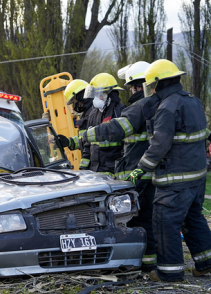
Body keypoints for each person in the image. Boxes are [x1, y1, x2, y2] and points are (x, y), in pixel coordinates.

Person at [127, 59, 211, 282]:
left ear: (159, 84)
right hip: (197, 177)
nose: (151, 91)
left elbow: (158, 146)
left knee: (165, 223)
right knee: (194, 218)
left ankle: (169, 272)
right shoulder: (193, 101)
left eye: (152, 86)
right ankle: (206, 264)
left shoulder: (167, 108)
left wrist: (138, 170)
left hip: (175, 180)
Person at [80, 61, 158, 271]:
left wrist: (88, 135)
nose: (131, 89)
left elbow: (117, 138)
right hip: (127, 174)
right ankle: (140, 261)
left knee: (141, 219)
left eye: (132, 86)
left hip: (134, 174)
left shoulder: (129, 110)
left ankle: (147, 264)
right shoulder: (145, 107)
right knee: (133, 219)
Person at [78, 73, 126, 176]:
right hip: (95, 172)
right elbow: (87, 145)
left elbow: (125, 146)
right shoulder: (93, 114)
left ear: (108, 94)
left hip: (112, 172)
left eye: (98, 94)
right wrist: (83, 169)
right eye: (94, 94)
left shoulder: (120, 112)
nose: (95, 98)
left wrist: (119, 171)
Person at [57, 79, 93, 169]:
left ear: (82, 97)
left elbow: (91, 144)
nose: (74, 105)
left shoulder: (93, 114)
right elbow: (85, 139)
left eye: (74, 101)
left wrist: (84, 167)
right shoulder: (86, 114)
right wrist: (69, 142)